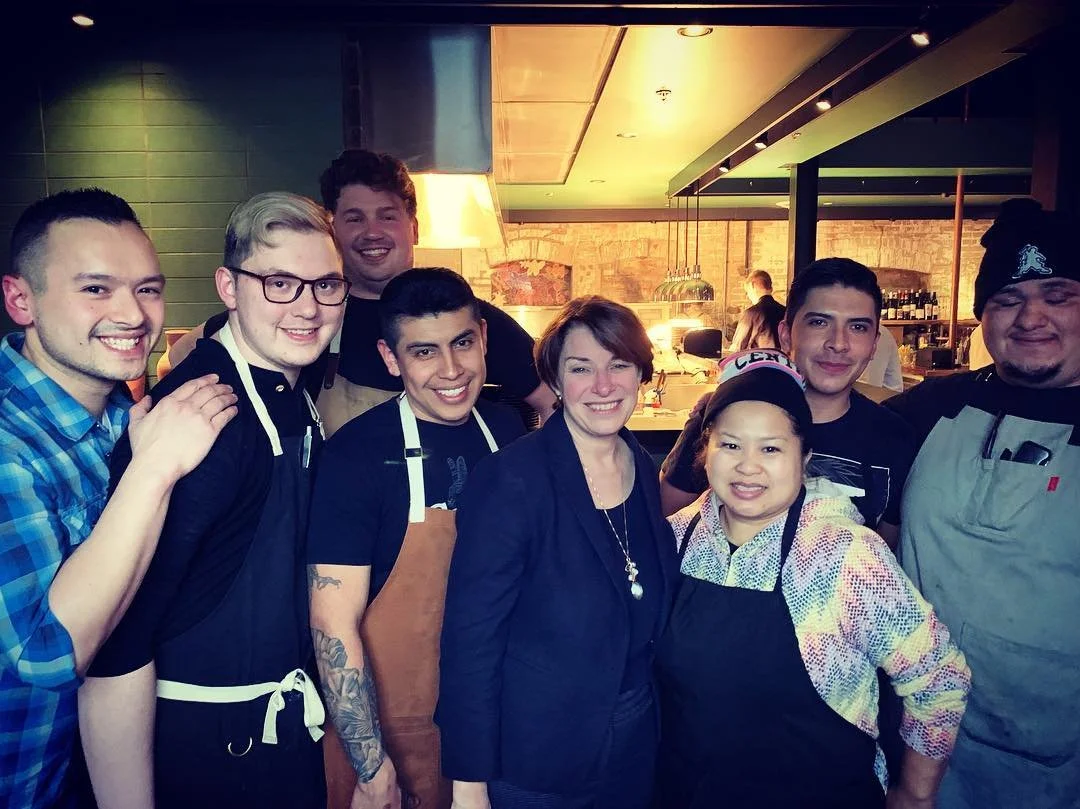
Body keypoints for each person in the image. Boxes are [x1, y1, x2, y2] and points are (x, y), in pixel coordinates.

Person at [79, 192, 347, 809]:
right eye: (279, 283)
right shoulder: (204, 415)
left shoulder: (289, 389)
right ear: (229, 287)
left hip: (276, 732)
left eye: (326, 285)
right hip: (208, 752)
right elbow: (116, 642)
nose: (308, 307)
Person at [0, 189, 237, 809]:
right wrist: (153, 469)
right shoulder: (8, 444)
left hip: (77, 779)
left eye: (148, 289)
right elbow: (46, 655)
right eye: (96, 289)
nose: (133, 313)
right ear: (21, 300)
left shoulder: (121, 419)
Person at [655, 349, 970, 809]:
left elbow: (939, 678)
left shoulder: (845, 554)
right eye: (731, 445)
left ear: (804, 458)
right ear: (706, 451)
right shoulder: (674, 539)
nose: (747, 466)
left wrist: (915, 794)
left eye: (771, 448)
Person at [437, 296, 678, 809]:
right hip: (539, 754)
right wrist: (469, 782)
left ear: (641, 374)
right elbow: (471, 639)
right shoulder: (511, 479)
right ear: (555, 380)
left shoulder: (639, 461)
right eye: (581, 368)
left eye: (619, 365)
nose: (603, 386)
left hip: (636, 740)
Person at [885, 198, 1080, 809]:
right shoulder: (930, 408)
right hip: (908, 730)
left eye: (1058, 295)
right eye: (1007, 300)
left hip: (1050, 755)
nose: (1032, 317)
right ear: (983, 318)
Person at [306, 268, 526, 809]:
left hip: (500, 727)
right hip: (393, 740)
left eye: (462, 343)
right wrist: (371, 766)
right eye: (423, 352)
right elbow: (332, 623)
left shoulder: (509, 434)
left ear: (483, 338)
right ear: (391, 358)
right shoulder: (356, 456)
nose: (450, 370)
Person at [167, 149, 557, 435]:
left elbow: (552, 402)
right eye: (354, 218)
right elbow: (179, 354)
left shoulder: (464, 316)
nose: (372, 232)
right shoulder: (306, 313)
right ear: (333, 230)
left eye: (387, 216)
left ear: (413, 228)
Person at [662, 258, 916, 550]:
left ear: (873, 344)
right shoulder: (726, 416)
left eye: (858, 327)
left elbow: (882, 550)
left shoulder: (894, 439)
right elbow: (666, 528)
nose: (838, 343)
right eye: (819, 322)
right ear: (785, 335)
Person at [729, 269, 786, 351]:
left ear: (752, 286)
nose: (748, 296)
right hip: (783, 358)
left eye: (747, 292)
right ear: (770, 288)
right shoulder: (785, 311)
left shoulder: (751, 313)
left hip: (761, 358)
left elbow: (738, 346)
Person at [860, 324, 904, 392]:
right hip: (884, 394)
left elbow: (863, 385)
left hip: (873, 395)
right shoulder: (884, 332)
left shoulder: (872, 332)